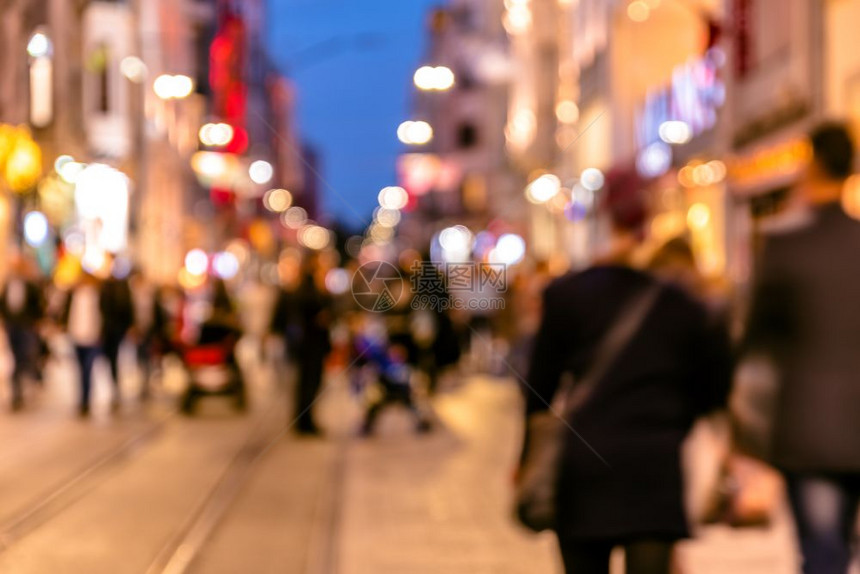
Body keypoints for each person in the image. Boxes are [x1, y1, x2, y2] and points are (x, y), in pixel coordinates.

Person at [521, 178, 733, 574]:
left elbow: (538, 390)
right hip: (654, 464)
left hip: (584, 461)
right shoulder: (683, 305)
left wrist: (525, 459)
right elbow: (714, 389)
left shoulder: (567, 295)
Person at [742, 122, 860, 574]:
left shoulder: (786, 247)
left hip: (810, 431)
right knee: (837, 543)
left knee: (822, 551)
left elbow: (756, 341)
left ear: (810, 166)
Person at [1, 256, 44, 411]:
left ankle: (30, 380)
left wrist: (36, 322)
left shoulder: (31, 285)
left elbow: (38, 305)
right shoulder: (8, 284)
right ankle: (17, 392)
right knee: (16, 359)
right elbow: (3, 304)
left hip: (26, 326)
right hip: (12, 326)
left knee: (26, 357)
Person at [62, 272, 104, 417]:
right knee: (79, 370)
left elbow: (100, 316)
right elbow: (68, 315)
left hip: (92, 338)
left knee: (88, 369)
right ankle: (81, 399)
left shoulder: (97, 296)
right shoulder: (73, 296)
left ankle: (86, 400)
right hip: (77, 337)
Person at [100, 260, 134, 409]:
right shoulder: (103, 287)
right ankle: (113, 386)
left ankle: (115, 388)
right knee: (110, 360)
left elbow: (127, 309)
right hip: (105, 330)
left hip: (115, 330)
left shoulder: (122, 287)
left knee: (114, 359)